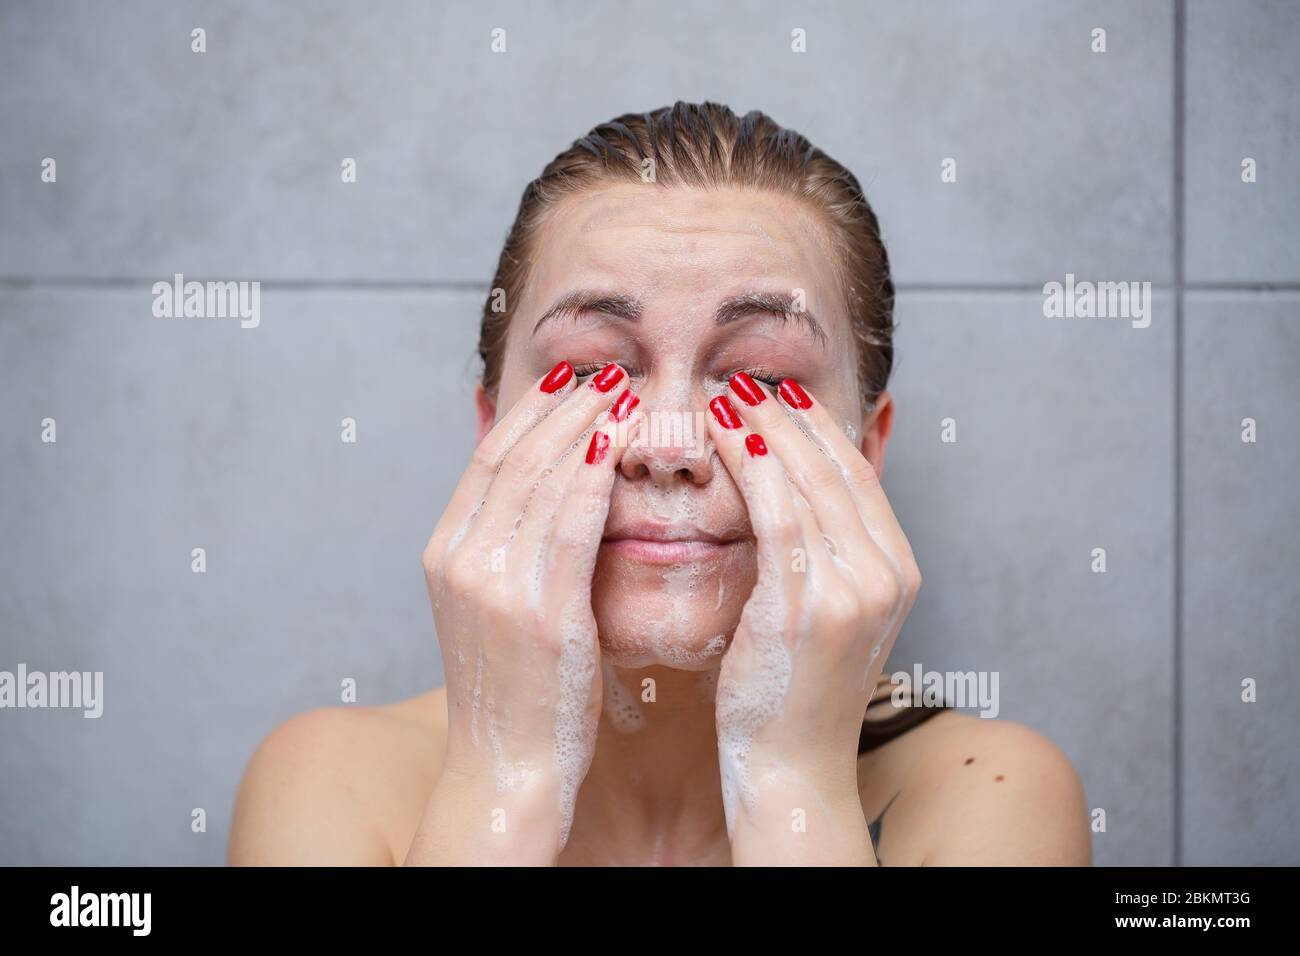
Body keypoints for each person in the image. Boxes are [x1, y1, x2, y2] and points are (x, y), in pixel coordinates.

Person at [229, 101, 1092, 866]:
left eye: (759, 376)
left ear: (864, 451)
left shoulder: (995, 796)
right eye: (591, 374)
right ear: (494, 433)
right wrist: (506, 782)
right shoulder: (327, 782)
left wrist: (791, 788)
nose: (668, 445)